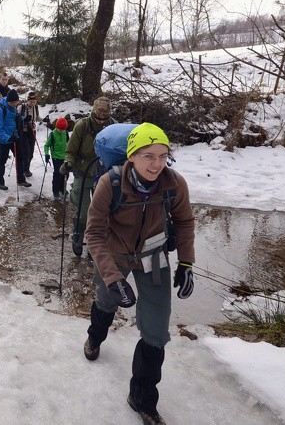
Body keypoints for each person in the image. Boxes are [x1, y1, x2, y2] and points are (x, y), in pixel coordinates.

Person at [83, 123, 195, 425]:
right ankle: (95, 338)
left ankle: (143, 399)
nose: (156, 164)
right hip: (113, 257)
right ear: (131, 156)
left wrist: (186, 263)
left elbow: (184, 223)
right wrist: (112, 277)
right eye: (148, 156)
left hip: (153, 260)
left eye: (162, 155)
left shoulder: (174, 184)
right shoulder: (111, 184)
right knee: (107, 302)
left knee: (156, 332)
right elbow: (93, 234)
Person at [60, 96, 116, 255]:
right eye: (99, 111)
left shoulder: (113, 126)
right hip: (83, 172)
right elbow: (70, 151)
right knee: (83, 211)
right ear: (94, 109)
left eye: (105, 113)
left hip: (104, 173)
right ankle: (78, 233)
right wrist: (68, 162)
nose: (101, 116)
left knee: (101, 211)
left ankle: (96, 242)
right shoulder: (82, 126)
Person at [0, 90, 31, 190]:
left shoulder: (12, 107)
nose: (14, 105)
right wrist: (8, 138)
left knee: (20, 157)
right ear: (8, 101)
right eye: (13, 103)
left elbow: (15, 117)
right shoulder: (0, 110)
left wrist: (24, 119)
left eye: (16, 103)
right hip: (4, 140)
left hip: (15, 137)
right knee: (2, 160)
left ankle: (21, 179)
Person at [44, 116, 69, 199]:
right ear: (56, 127)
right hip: (56, 157)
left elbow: (68, 143)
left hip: (64, 157)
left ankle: (62, 189)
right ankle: (55, 190)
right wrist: (47, 154)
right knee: (57, 174)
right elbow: (46, 145)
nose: (61, 131)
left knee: (65, 174)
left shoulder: (66, 133)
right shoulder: (52, 135)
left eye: (63, 129)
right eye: (60, 129)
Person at [18, 92, 40, 177]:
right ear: (28, 101)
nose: (33, 103)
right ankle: (25, 169)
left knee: (31, 152)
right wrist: (24, 119)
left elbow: (37, 118)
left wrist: (44, 120)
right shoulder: (22, 107)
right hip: (24, 131)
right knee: (26, 151)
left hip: (32, 131)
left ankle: (27, 168)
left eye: (34, 101)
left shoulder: (36, 108)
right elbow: (16, 117)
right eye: (31, 101)